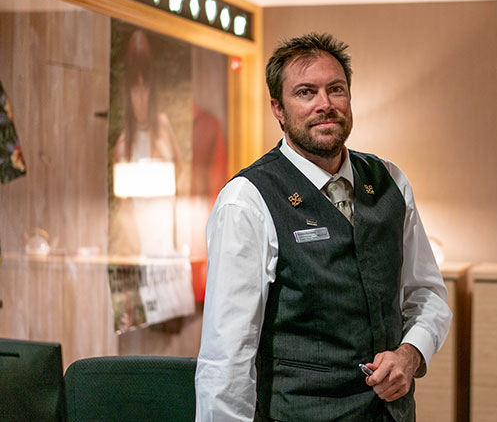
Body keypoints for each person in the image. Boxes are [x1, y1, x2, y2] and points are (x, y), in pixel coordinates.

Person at [195, 32, 452, 421]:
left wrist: (410, 353)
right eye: (305, 92)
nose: (325, 105)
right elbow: (227, 356)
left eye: (336, 89)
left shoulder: (391, 182)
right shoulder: (247, 201)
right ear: (278, 109)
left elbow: (427, 293)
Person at [113, 29, 184, 256]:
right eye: (135, 89)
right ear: (129, 93)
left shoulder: (163, 127)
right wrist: (130, 244)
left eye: (145, 89)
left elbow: (180, 173)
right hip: (141, 234)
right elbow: (123, 205)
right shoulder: (124, 144)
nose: (141, 97)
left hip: (165, 228)